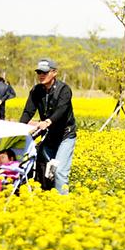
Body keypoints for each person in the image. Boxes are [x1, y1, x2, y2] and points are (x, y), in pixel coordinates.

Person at [20, 58, 77, 194]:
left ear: (54, 72)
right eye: (39, 72)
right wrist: (18, 128)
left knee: (59, 172)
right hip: (49, 136)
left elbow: (61, 110)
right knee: (42, 168)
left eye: (44, 72)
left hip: (65, 135)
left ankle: (63, 206)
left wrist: (48, 121)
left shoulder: (64, 90)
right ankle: (46, 199)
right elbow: (28, 111)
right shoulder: (36, 90)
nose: (41, 75)